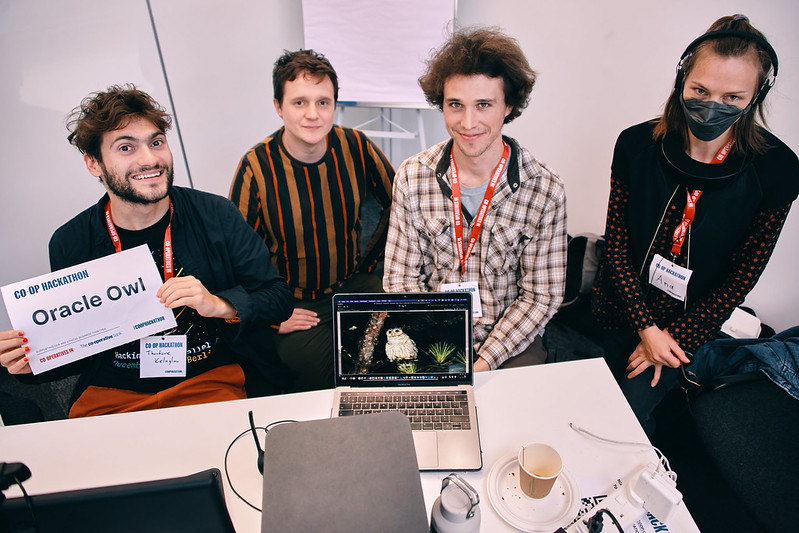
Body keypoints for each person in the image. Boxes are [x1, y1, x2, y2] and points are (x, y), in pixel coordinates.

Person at [0, 85, 293, 418]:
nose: (150, 159)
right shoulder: (71, 241)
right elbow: (80, 345)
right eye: (126, 148)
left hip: (207, 380)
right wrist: (32, 362)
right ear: (94, 163)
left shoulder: (216, 215)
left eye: (156, 142)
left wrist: (219, 304)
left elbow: (277, 298)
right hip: (114, 392)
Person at [592, 15, 799, 435]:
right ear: (681, 79)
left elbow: (742, 277)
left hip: (685, 329)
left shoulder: (777, 169)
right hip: (621, 309)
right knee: (577, 401)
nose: (712, 105)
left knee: (621, 425)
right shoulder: (635, 144)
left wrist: (667, 340)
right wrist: (645, 329)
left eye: (732, 97)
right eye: (701, 90)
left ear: (756, 95)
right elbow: (615, 246)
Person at [383, 28, 567, 372]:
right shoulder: (411, 177)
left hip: (510, 343)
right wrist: (439, 346)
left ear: (508, 105)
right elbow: (401, 280)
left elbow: (541, 297)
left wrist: (483, 361)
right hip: (431, 334)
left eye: (483, 105)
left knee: (513, 419)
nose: (468, 123)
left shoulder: (545, 189)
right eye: (456, 105)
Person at [229, 50, 394, 392]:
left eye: (323, 102)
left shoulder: (356, 145)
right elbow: (237, 257)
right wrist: (274, 317)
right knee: (319, 382)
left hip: (353, 283)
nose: (312, 114)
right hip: (293, 301)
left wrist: (373, 264)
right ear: (279, 106)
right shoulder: (255, 167)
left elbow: (400, 206)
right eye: (299, 102)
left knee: (396, 355)